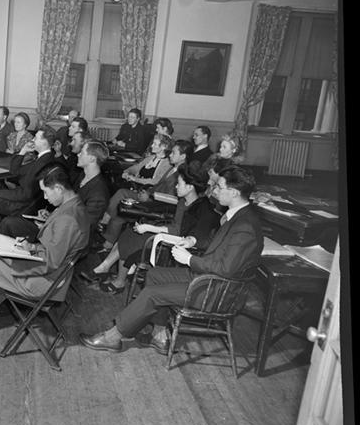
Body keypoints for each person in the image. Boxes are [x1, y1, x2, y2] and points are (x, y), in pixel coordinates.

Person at [79, 165, 263, 355]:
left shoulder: (245, 226)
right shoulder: (238, 215)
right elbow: (220, 245)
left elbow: (226, 269)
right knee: (153, 275)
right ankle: (160, 336)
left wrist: (189, 259)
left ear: (233, 192)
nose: (214, 190)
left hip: (216, 291)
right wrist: (193, 240)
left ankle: (113, 337)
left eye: (219, 187)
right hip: (207, 278)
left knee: (152, 294)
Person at [0, 165, 91, 342]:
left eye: (46, 192)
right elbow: (56, 248)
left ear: (58, 188)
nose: (45, 197)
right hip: (48, 274)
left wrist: (16, 261)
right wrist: (31, 247)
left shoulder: (68, 219)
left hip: (41, 282)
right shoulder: (74, 206)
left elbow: (50, 262)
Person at [94, 164, 220, 295]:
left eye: (179, 184)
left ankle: (119, 281)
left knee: (132, 238)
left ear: (190, 187)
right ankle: (107, 269)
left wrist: (149, 228)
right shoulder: (183, 201)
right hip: (169, 237)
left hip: (173, 246)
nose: (176, 186)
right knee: (130, 233)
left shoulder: (202, 208)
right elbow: (175, 226)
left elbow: (179, 232)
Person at [0, 139, 110, 238]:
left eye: (83, 152)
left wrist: (51, 224)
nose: (78, 154)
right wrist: (51, 214)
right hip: (55, 224)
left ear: (92, 159)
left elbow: (84, 227)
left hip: (62, 237)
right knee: (9, 222)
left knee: (8, 223)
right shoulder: (82, 176)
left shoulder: (99, 192)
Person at [97, 137, 183, 248]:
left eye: (155, 144)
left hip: (152, 198)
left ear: (163, 147)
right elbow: (136, 167)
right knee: (118, 204)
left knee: (121, 196)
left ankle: (104, 223)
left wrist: (136, 181)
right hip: (144, 191)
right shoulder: (151, 158)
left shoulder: (168, 165)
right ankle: (107, 241)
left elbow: (155, 182)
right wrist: (127, 172)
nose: (152, 146)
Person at [0, 128, 56, 217]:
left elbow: (25, 194)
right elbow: (15, 171)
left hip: (25, 205)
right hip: (25, 198)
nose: (33, 140)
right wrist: (23, 151)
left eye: (36, 138)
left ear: (44, 142)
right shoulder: (44, 158)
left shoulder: (43, 162)